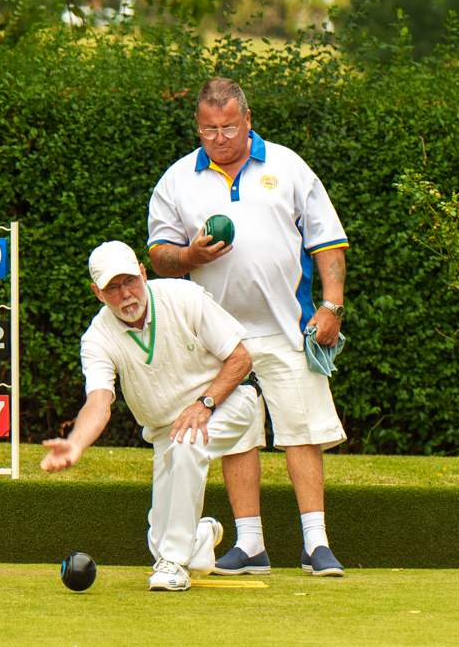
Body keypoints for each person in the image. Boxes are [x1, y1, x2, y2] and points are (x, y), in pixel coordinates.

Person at [147, 76, 349, 577]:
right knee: (238, 432)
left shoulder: (287, 165)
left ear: (248, 120)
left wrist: (332, 305)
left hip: (287, 325)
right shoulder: (177, 179)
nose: (219, 138)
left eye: (229, 127)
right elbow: (158, 254)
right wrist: (190, 256)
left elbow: (327, 239)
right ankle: (251, 545)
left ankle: (316, 544)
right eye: (209, 129)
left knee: (302, 430)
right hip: (216, 335)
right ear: (198, 125)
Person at [40, 240, 265, 591]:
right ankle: (198, 537)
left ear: (143, 274)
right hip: (166, 429)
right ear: (97, 293)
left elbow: (240, 359)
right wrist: (76, 443)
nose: (125, 294)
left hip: (228, 399)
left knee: (189, 445)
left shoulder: (183, 297)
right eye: (112, 288)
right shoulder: (97, 339)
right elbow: (99, 401)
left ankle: (175, 563)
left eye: (130, 281)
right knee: (159, 541)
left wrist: (204, 403)